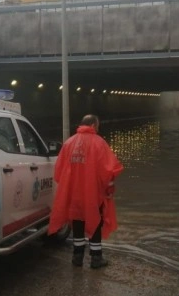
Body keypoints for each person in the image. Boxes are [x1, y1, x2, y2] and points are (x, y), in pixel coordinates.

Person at [48, 114, 124, 268]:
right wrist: (109, 188)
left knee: (77, 222)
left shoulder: (69, 143)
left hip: (74, 193)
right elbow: (109, 170)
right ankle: (96, 258)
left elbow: (59, 171)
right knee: (95, 220)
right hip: (93, 193)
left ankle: (77, 256)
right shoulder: (99, 143)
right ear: (94, 125)